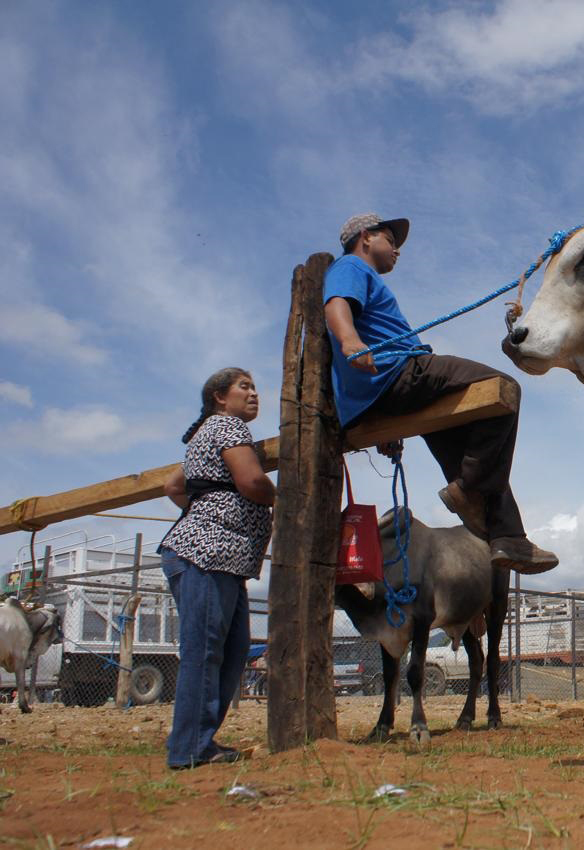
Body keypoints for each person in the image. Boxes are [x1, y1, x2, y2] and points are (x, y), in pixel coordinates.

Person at [323, 213, 557, 575]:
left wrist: (389, 423)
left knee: (470, 450)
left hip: (385, 391)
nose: (397, 250)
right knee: (501, 389)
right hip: (398, 371)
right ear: (365, 237)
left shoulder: (362, 273)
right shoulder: (351, 266)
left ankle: (508, 536)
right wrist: (350, 339)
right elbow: (337, 304)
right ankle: (469, 488)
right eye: (391, 240)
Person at [159, 368, 274, 769]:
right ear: (219, 398)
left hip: (222, 559)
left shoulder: (205, 435)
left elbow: (174, 486)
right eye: (244, 386)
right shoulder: (227, 426)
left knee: (233, 649)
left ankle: (197, 740)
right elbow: (252, 481)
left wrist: (205, 507)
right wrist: (284, 497)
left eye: (255, 387)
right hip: (206, 555)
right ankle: (189, 748)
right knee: (206, 651)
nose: (254, 393)